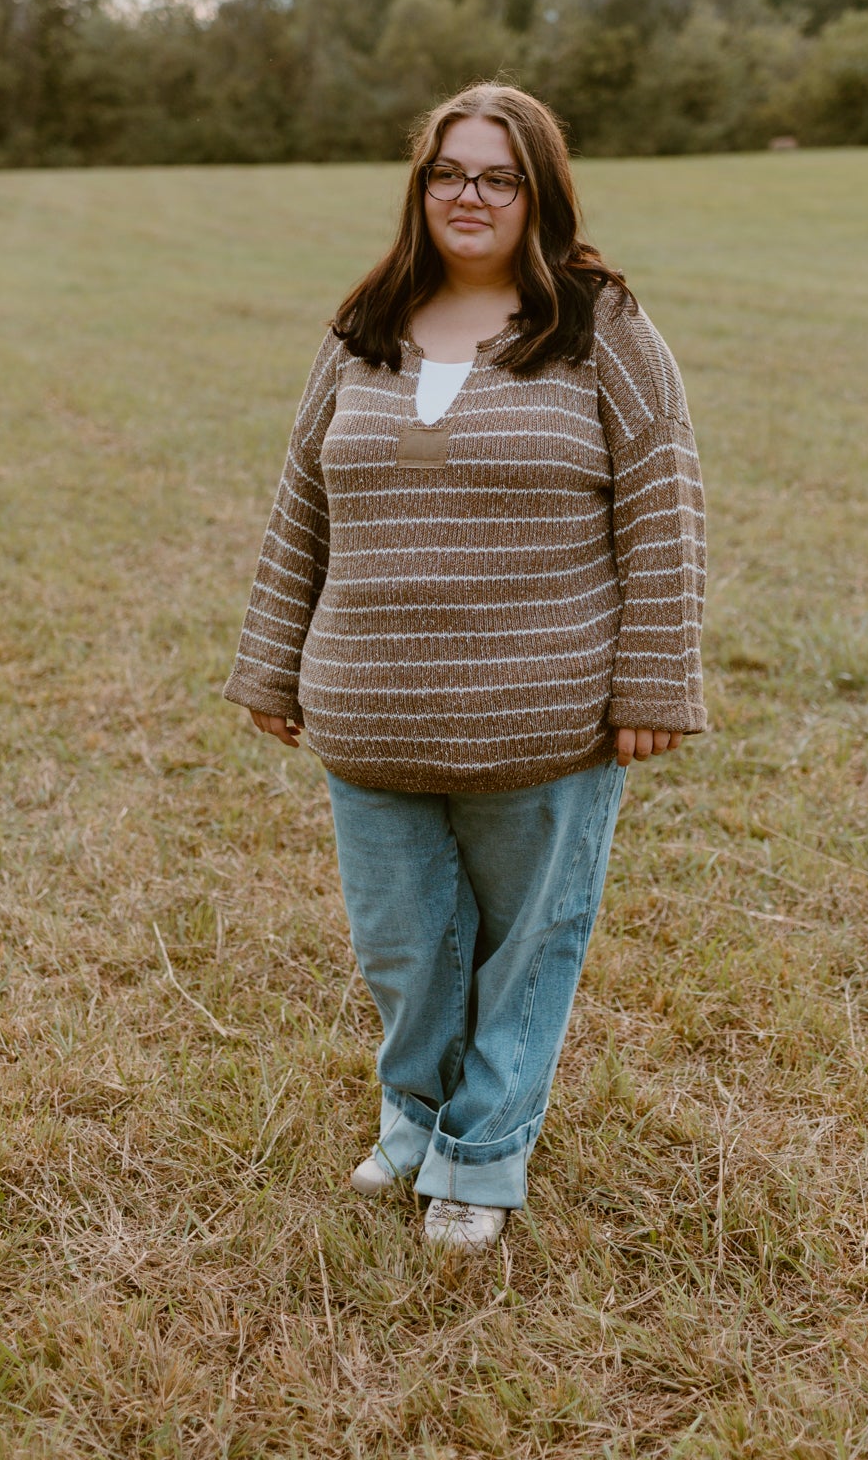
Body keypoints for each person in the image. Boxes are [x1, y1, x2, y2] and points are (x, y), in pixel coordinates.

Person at [224, 83, 706, 1250]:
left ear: (539, 191)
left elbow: (664, 503)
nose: (470, 194)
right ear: (419, 186)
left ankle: (482, 1153)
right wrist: (269, 663)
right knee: (404, 942)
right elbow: (304, 503)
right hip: (371, 711)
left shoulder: (600, 326)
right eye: (449, 171)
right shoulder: (364, 325)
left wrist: (655, 680)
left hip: (542, 714)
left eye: (499, 174)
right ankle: (418, 1110)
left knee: (529, 942)